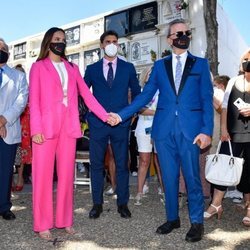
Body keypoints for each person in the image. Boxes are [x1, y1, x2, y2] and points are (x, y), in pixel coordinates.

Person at [109, 19, 214, 242]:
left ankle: (197, 222)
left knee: (193, 178)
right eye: (177, 34)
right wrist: (121, 115)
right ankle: (172, 218)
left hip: (191, 131)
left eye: (186, 32)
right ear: (169, 39)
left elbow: (206, 99)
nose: (182, 36)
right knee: (168, 178)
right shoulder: (159, 66)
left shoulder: (201, 64)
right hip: (164, 130)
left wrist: (207, 131)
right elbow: (145, 96)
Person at [29, 27, 108, 240]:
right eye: (56, 39)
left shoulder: (72, 68)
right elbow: (33, 101)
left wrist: (105, 115)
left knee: (66, 178)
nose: (60, 42)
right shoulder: (38, 67)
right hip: (44, 130)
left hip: (69, 128)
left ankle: (65, 221)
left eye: (63, 40)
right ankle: (42, 224)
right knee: (42, 178)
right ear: (48, 42)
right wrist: (35, 129)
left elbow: (88, 97)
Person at [84, 30, 141, 219]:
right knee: (96, 165)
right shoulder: (91, 69)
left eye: (115, 41)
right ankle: (97, 204)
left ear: (118, 45)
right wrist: (88, 116)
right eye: (108, 41)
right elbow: (83, 94)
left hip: (120, 123)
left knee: (122, 164)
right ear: (101, 45)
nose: (111, 44)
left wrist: (130, 114)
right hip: (98, 124)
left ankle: (122, 203)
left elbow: (137, 93)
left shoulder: (128, 68)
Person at [204, 50, 250, 227]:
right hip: (232, 133)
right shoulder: (233, 81)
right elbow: (223, 107)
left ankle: (249, 208)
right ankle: (216, 205)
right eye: (245, 60)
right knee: (223, 167)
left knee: (249, 172)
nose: (247, 62)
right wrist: (223, 129)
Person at [0, 38, 28, 220]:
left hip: (8, 129)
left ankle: (4, 207)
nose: (0, 50)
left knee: (5, 171)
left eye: (3, 48)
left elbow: (21, 101)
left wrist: (3, 120)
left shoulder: (19, 76)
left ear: (8, 53)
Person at [134, 66, 163, 206]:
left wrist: (151, 112)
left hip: (161, 128)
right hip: (143, 128)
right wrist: (157, 112)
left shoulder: (163, 90)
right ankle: (139, 191)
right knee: (144, 161)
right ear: (145, 76)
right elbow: (139, 109)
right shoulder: (140, 91)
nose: (152, 76)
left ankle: (164, 191)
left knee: (160, 162)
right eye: (149, 74)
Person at [12, 64, 32, 192]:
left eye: (21, 73)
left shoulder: (28, 89)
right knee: (11, 152)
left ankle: (20, 178)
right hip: (12, 121)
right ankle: (9, 179)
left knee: (23, 151)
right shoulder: (8, 88)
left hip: (24, 122)